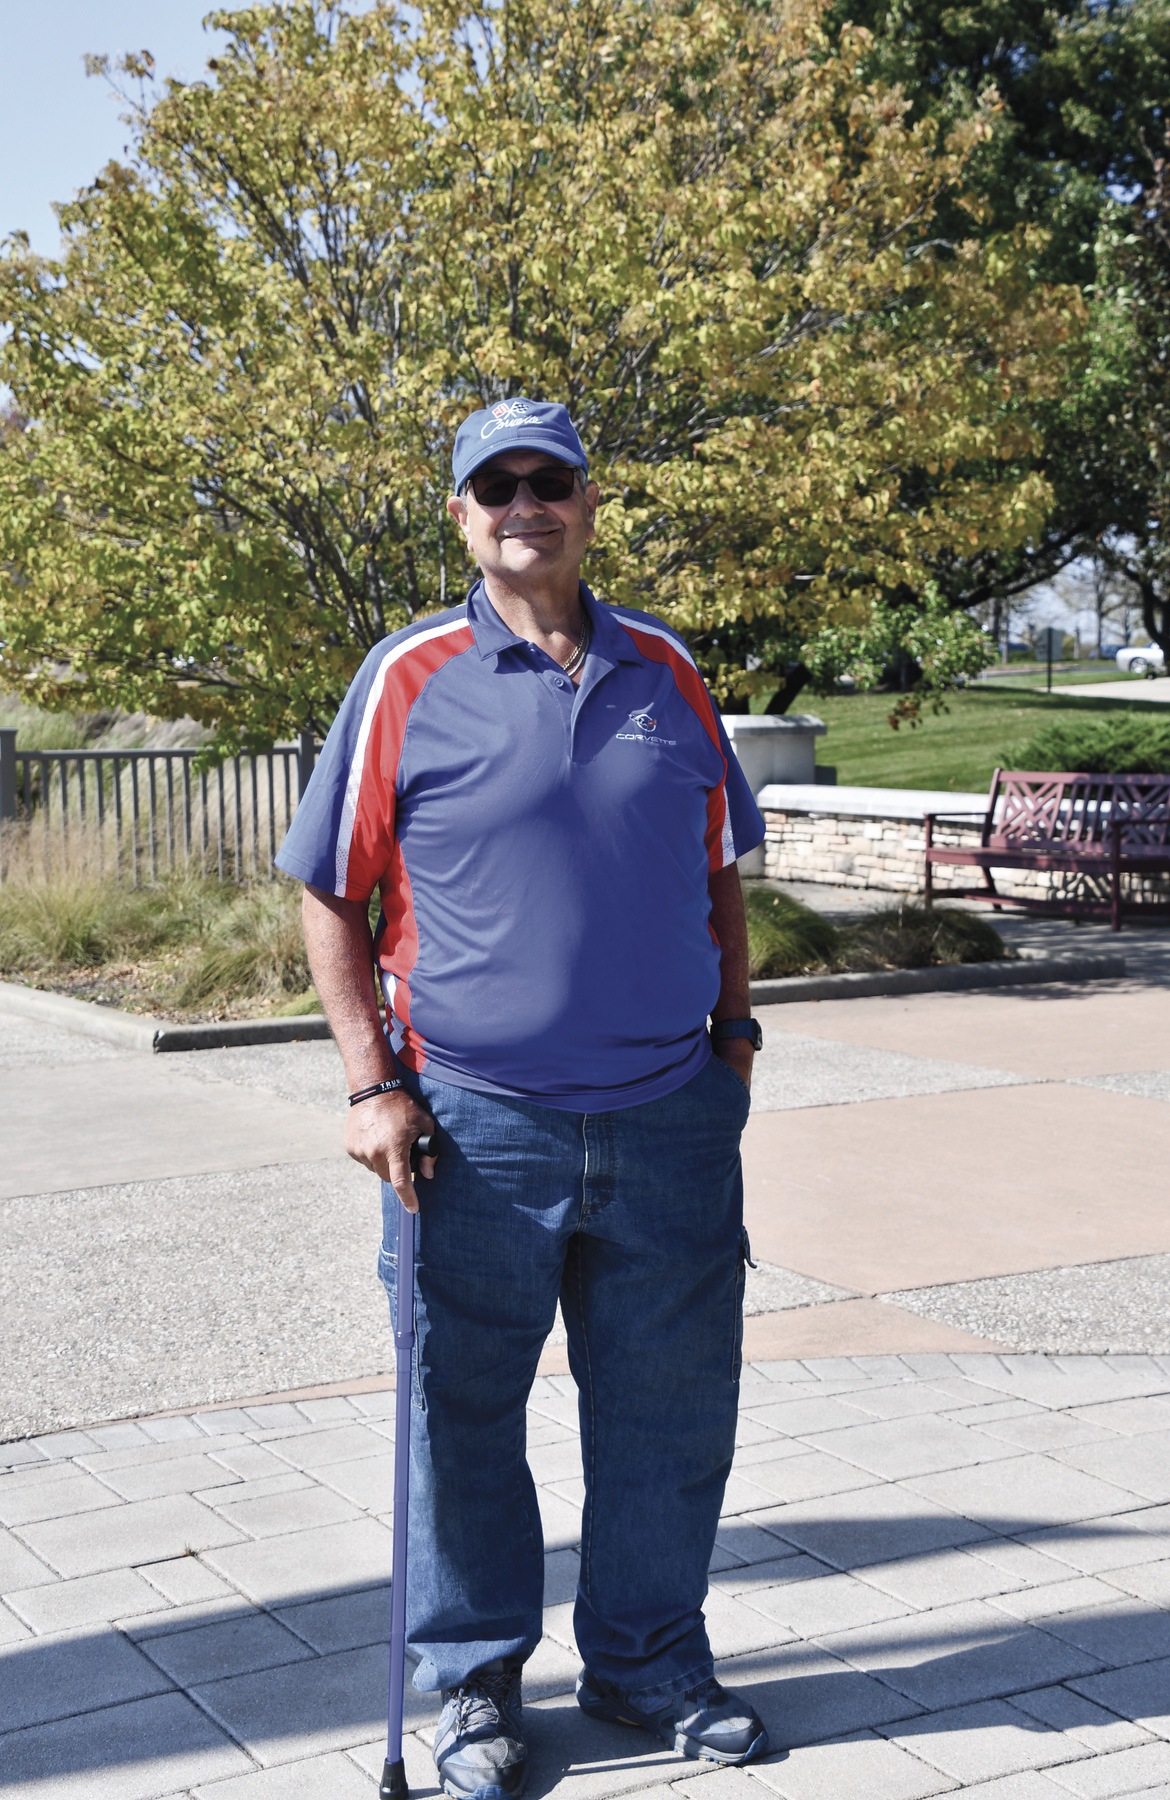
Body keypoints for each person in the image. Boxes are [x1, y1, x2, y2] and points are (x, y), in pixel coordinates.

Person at [277, 398, 769, 1800]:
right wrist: (372, 1082)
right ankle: (477, 1686)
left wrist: (733, 1038)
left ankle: (647, 1660)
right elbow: (330, 889)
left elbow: (720, 870)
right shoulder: (408, 673)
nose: (523, 504)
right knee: (461, 1416)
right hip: (473, 1124)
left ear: (588, 502)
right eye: (495, 486)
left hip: (673, 1114)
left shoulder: (665, 670)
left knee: (672, 1410)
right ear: (460, 515)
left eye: (548, 480)